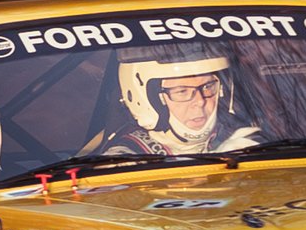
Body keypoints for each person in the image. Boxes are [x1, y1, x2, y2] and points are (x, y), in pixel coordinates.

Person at [101, 45, 262, 156]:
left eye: (207, 87)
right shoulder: (124, 161)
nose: (200, 101)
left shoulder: (245, 138)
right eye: (182, 92)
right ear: (148, 100)